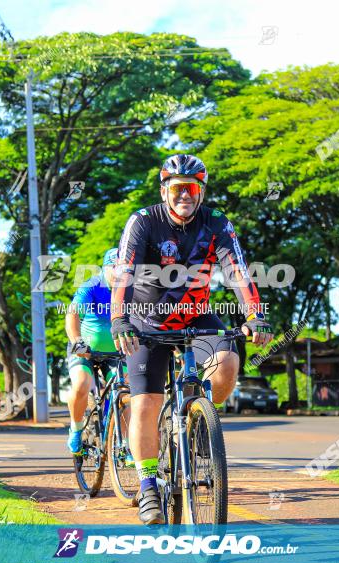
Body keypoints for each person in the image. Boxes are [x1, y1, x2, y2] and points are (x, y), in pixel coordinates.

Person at [110, 154, 273, 524]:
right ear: (165, 190)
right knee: (145, 404)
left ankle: (200, 424)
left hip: (196, 314)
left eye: (193, 188)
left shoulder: (216, 224)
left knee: (229, 361)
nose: (185, 195)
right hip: (146, 319)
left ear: (201, 193)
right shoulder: (143, 221)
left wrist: (254, 314)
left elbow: (238, 272)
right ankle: (149, 485)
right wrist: (119, 318)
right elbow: (123, 273)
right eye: (178, 188)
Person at [65, 248, 129, 456]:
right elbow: (73, 314)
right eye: (114, 267)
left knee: (127, 392)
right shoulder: (92, 285)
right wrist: (76, 341)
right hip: (86, 350)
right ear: (105, 268)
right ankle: (75, 430)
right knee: (82, 384)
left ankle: (123, 439)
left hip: (115, 352)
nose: (119, 273)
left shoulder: (130, 289)